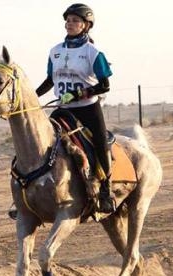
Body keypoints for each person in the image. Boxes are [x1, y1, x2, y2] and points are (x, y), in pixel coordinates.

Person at [36, 3, 114, 213]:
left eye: (75, 21)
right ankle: (31, 192)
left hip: (88, 109)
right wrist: (33, 97)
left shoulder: (93, 52)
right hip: (63, 109)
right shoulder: (56, 51)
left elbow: (104, 85)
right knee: (41, 143)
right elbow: (50, 80)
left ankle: (106, 191)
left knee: (99, 144)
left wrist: (79, 94)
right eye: (68, 20)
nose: (70, 24)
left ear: (86, 25)